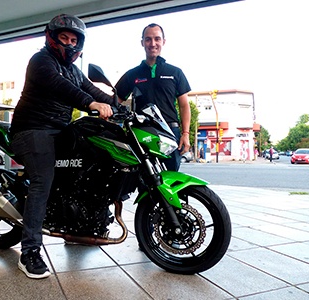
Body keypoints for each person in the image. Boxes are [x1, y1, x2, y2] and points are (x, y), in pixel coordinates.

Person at [10, 14, 114, 279]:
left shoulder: (74, 69)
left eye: (73, 40)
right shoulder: (41, 61)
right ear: (52, 38)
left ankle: (80, 225)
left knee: (90, 161)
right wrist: (90, 105)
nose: (69, 44)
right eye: (64, 38)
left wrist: (119, 105)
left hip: (60, 131)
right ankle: (29, 251)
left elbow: (91, 90)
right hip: (32, 129)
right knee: (43, 179)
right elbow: (63, 88)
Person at [115, 23, 191, 171]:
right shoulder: (132, 74)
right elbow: (116, 100)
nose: (153, 43)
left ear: (163, 41)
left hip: (170, 131)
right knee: (145, 180)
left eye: (157, 39)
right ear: (142, 42)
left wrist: (185, 134)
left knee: (171, 179)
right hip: (142, 133)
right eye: (148, 39)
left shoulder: (176, 72)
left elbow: (184, 105)